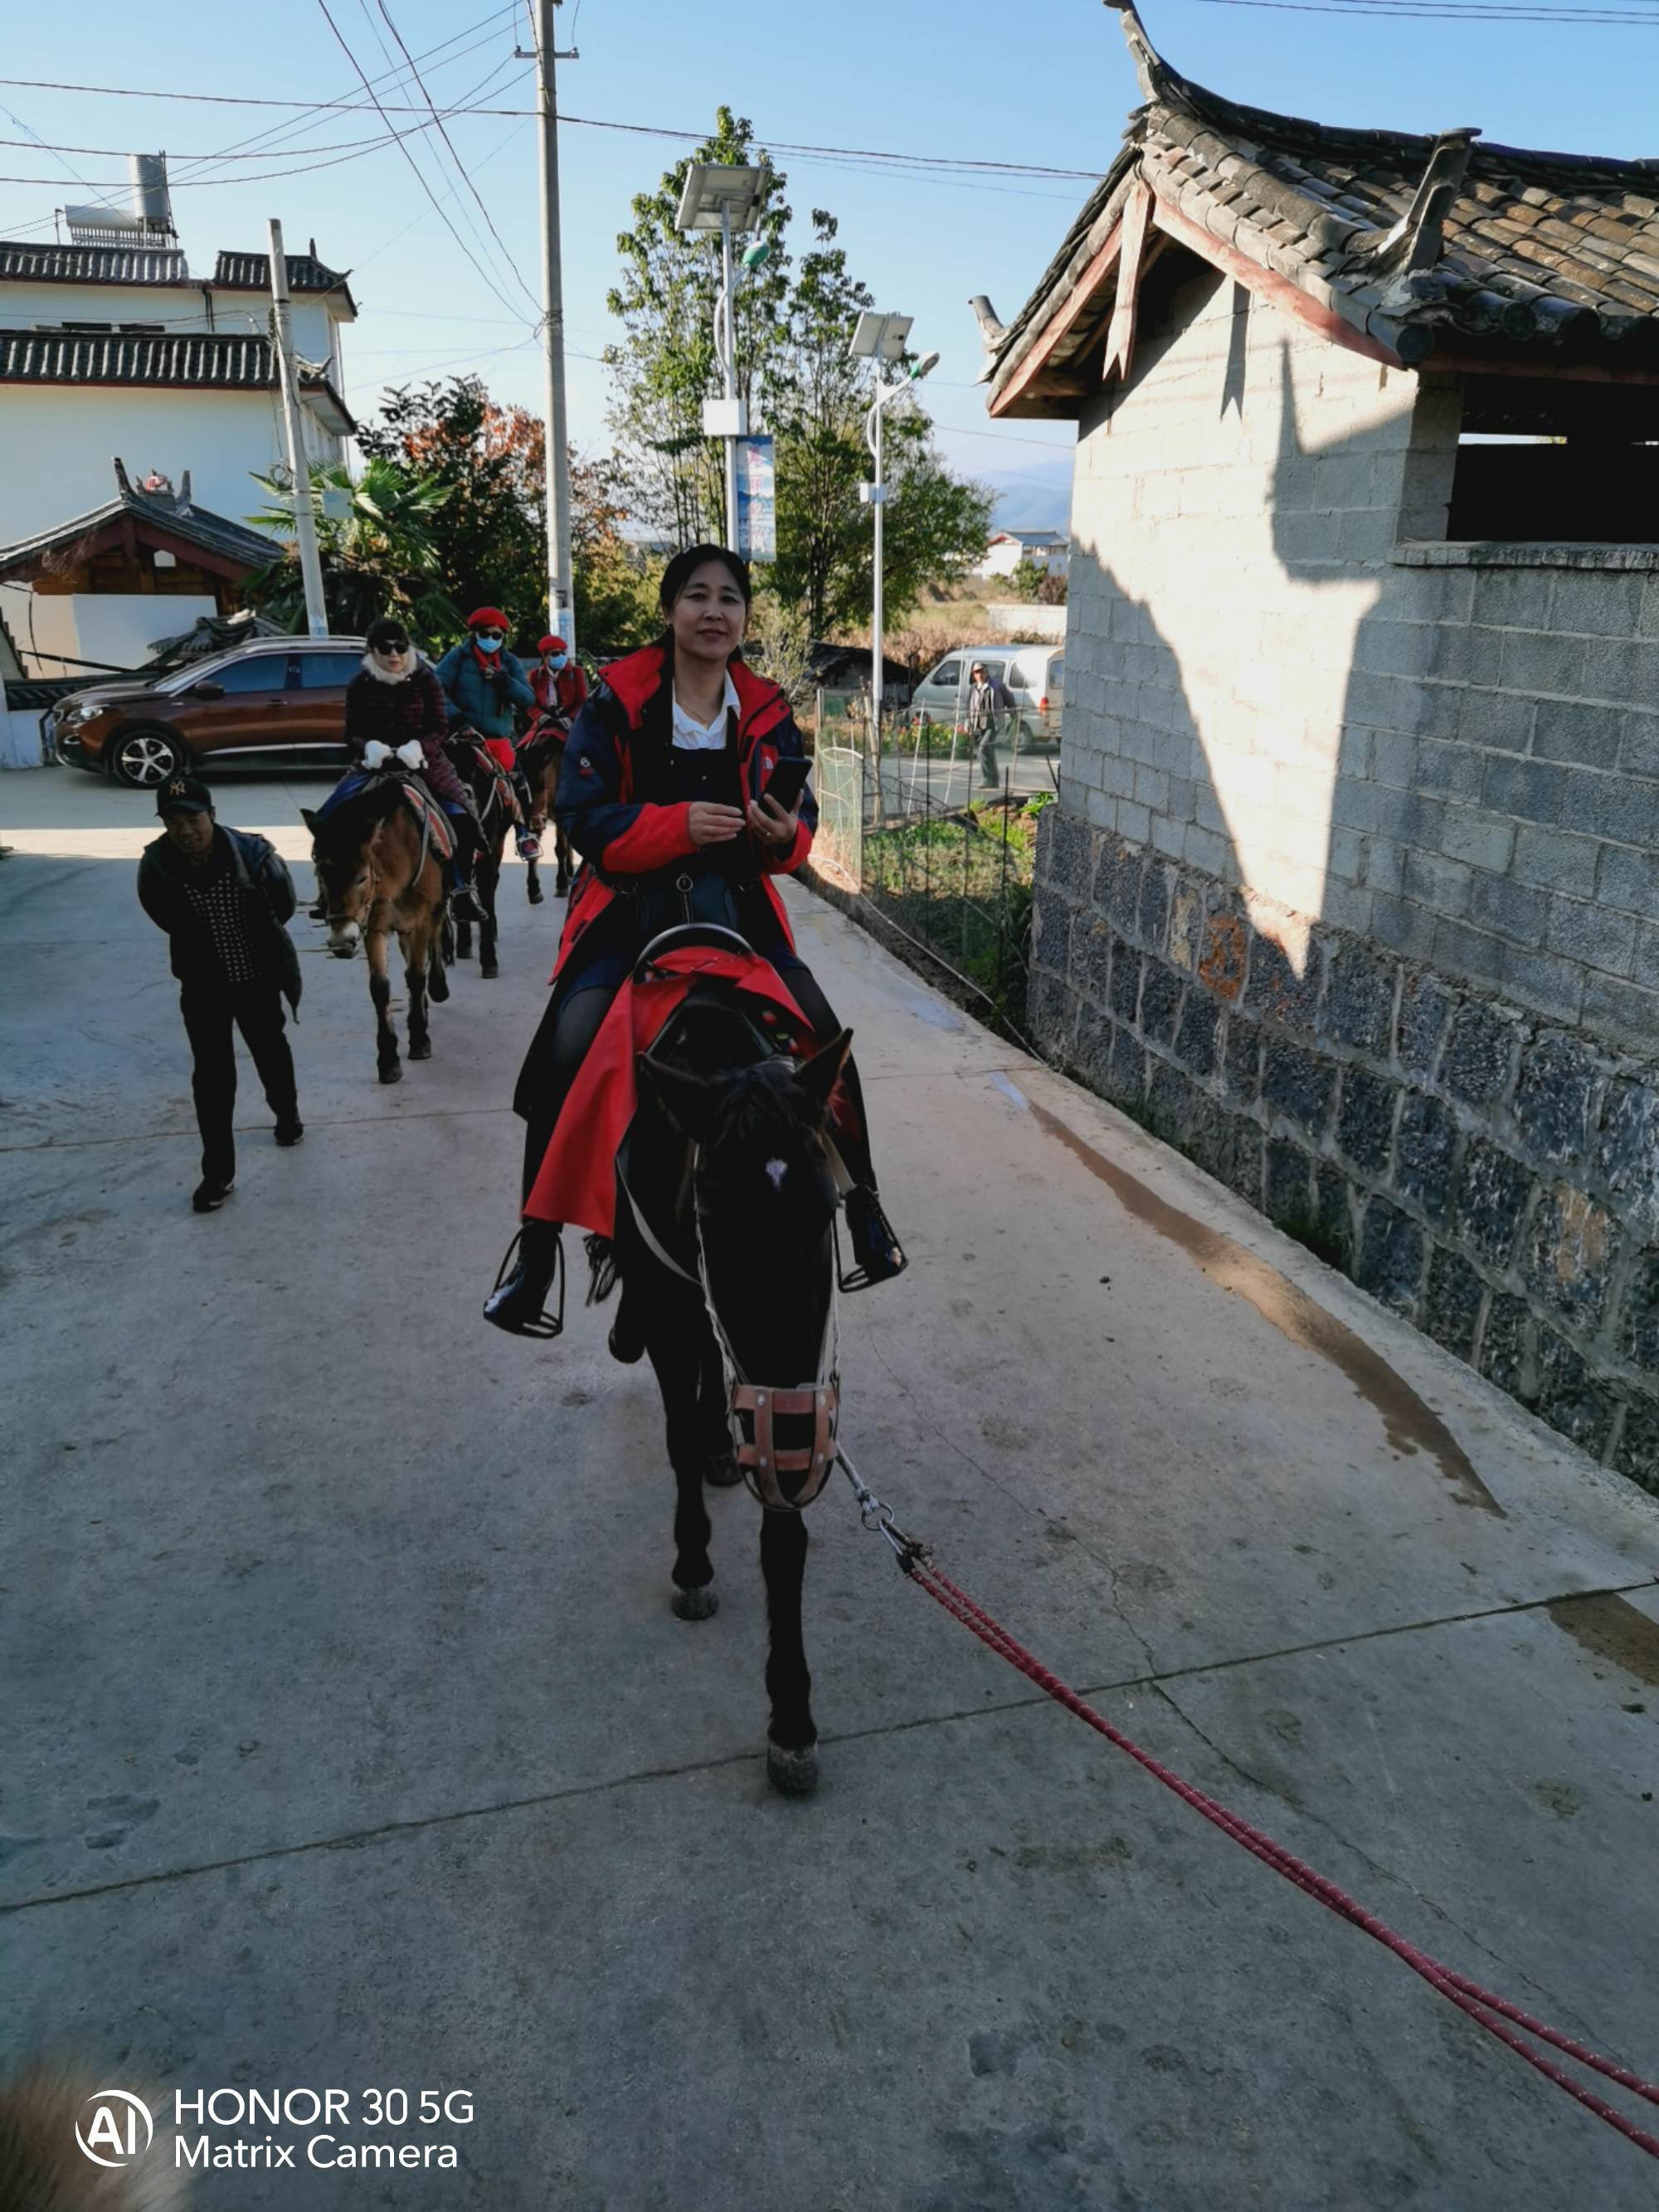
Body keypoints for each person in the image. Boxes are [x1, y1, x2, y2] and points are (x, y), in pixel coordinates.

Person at [484, 543, 904, 1334]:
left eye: (730, 599)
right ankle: (536, 1251)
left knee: (820, 1038)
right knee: (568, 1045)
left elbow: (797, 825)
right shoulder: (615, 705)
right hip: (628, 906)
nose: (715, 612)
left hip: (736, 906)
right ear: (671, 611)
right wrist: (674, 826)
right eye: (698, 596)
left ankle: (866, 1212)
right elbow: (581, 816)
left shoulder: (769, 708)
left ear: (745, 617)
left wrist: (784, 837)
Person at [137, 774, 303, 1213]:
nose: (185, 831)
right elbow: (161, 912)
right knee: (211, 1077)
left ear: (212, 815)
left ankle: (287, 1118)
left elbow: (282, 906)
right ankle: (218, 1174)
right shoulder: (156, 864)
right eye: (173, 822)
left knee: (270, 1051)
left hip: (257, 979)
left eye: (193, 819)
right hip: (202, 987)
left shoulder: (254, 855)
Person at [324, 615, 486, 921]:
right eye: (386, 649)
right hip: (374, 765)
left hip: (425, 764)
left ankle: (462, 890)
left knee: (463, 819)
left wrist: (419, 747)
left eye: (401, 647)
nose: (395, 654)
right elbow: (351, 732)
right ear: (372, 652)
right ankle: (330, 893)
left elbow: (440, 728)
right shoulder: (360, 683)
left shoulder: (426, 679)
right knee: (326, 817)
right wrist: (368, 746)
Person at [435, 608, 539, 862]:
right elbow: (436, 688)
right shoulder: (457, 658)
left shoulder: (509, 662)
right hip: (463, 735)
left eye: (497, 635)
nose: (491, 639)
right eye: (485, 634)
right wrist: (457, 718)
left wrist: (505, 682)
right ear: (474, 634)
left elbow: (528, 699)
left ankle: (524, 832)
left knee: (518, 777)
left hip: (497, 737)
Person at [965, 661, 1012, 790]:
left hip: (994, 723)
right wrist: (968, 724)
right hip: (980, 724)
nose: (979, 674)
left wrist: (1014, 716)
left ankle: (988, 779)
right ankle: (994, 780)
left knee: (983, 747)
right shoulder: (973, 688)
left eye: (981, 671)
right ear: (973, 675)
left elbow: (1010, 700)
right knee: (988, 751)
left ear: (987, 672)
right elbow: (968, 708)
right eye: (976, 672)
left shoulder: (997, 686)